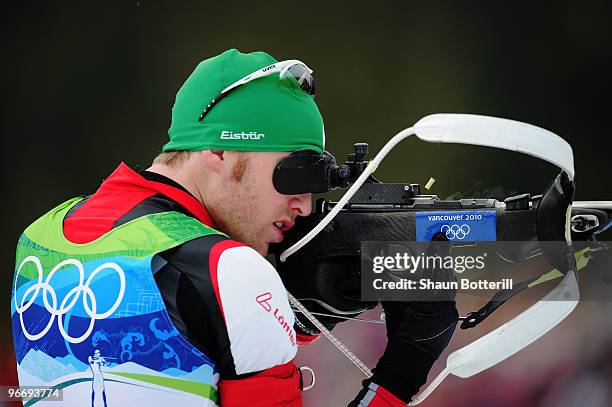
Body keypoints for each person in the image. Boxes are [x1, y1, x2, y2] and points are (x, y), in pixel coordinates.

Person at [11, 48, 457, 406]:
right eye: (294, 174)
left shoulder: (40, 237)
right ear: (219, 153)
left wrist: (296, 316)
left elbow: (165, 343)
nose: (304, 205)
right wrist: (401, 374)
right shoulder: (230, 270)